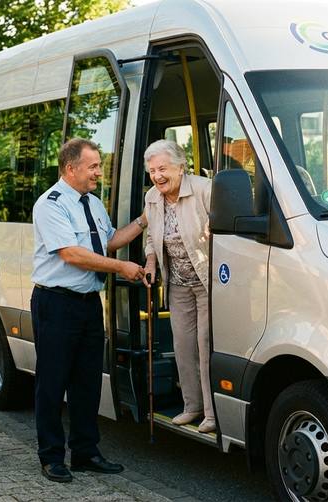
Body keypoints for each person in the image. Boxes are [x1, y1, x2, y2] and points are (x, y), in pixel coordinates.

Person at [31, 138, 148, 483]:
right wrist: (120, 268)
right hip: (56, 304)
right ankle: (51, 456)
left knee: (86, 383)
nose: (100, 171)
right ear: (71, 168)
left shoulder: (93, 203)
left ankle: (84, 452)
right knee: (52, 383)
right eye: (93, 166)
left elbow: (107, 240)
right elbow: (71, 253)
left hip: (88, 305)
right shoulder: (51, 204)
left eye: (99, 165)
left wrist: (144, 220)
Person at [142, 139, 215, 433]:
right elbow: (151, 236)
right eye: (152, 171)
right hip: (178, 284)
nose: (157, 176)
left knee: (205, 345)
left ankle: (212, 413)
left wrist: (216, 229)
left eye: (163, 169)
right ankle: (192, 406)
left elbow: (227, 227)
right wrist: (150, 262)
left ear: (181, 167)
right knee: (183, 347)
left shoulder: (203, 189)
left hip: (208, 282)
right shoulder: (152, 197)